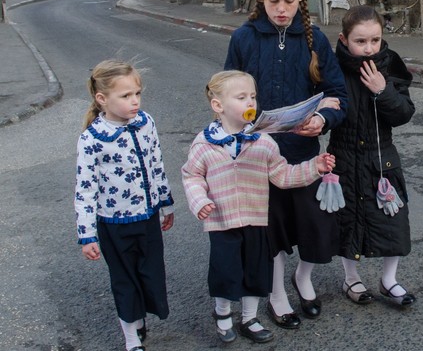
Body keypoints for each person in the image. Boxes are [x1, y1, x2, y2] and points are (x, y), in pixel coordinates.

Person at [224, 0, 348, 329]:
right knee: (271, 231)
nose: (281, 9)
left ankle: (303, 278)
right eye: (274, 0)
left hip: (302, 154)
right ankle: (277, 294)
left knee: (313, 226)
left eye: (289, 1)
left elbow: (337, 91)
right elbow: (226, 92)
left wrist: (322, 119)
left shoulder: (314, 40)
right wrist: (238, 121)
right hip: (258, 156)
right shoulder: (244, 38)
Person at [181, 70, 336, 344]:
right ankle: (223, 313)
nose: (250, 103)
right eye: (241, 98)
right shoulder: (204, 143)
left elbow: (283, 175)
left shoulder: (263, 141)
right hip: (222, 221)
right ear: (218, 106)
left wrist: (315, 167)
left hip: (256, 220)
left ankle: (249, 318)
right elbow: (192, 175)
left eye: (253, 96)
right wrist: (200, 201)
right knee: (226, 273)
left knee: (255, 271)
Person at [74, 59, 175, 351]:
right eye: (125, 96)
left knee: (150, 273)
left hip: (148, 217)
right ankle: (131, 337)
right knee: (124, 279)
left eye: (137, 94)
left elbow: (156, 163)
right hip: (114, 224)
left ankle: (140, 318)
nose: (134, 101)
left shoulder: (146, 122)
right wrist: (87, 234)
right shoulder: (93, 139)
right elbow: (85, 188)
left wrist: (165, 203)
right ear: (102, 99)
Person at [328, 6, 416, 307]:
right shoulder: (333, 67)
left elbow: (404, 113)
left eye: (375, 40)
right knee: (347, 220)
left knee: (392, 221)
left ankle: (389, 280)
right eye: (360, 41)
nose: (369, 48)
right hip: (344, 156)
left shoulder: (389, 66)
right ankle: (350, 277)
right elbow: (324, 111)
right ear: (344, 39)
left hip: (382, 161)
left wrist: (383, 90)